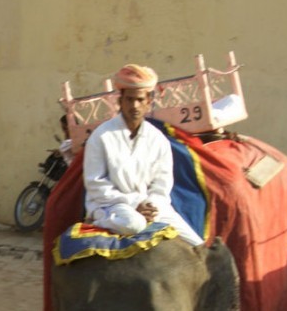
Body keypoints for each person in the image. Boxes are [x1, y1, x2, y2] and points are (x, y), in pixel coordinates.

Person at [83, 63, 204, 246]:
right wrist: (134, 203)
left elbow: (162, 186)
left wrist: (151, 206)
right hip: (111, 206)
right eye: (129, 100)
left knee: (196, 244)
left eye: (140, 100)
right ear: (120, 101)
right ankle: (97, 221)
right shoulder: (101, 136)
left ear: (148, 102)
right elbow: (96, 184)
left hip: (151, 209)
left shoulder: (158, 140)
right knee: (134, 224)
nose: (134, 106)